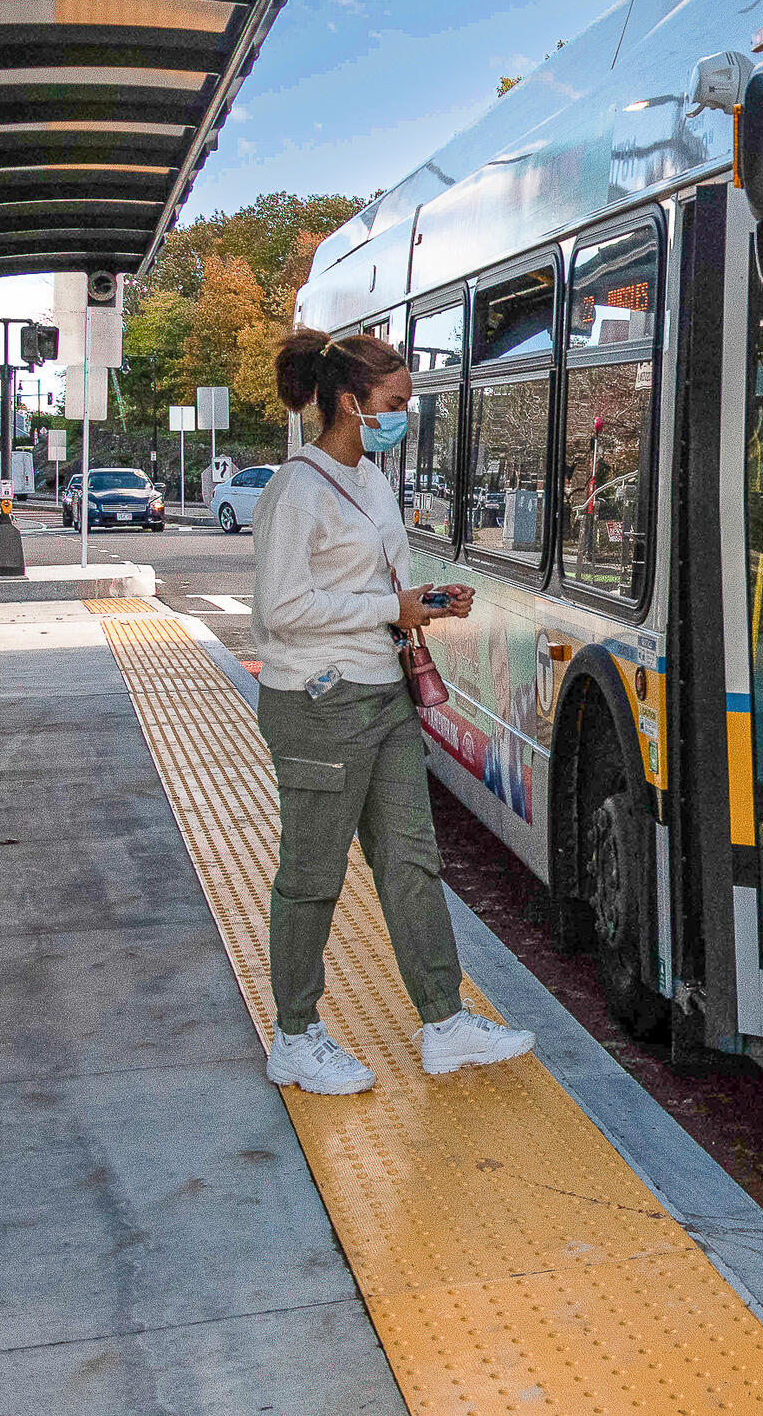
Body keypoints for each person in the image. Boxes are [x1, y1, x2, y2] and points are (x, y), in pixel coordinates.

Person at [252, 330, 534, 1095]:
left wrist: (423, 605)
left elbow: (380, 588)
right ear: (351, 401)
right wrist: (389, 605)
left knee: (412, 860)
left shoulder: (371, 481)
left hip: (384, 692)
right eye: (395, 404)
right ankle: (295, 1034)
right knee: (312, 874)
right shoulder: (297, 490)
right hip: (317, 701)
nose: (401, 416)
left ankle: (444, 1020)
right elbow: (280, 608)